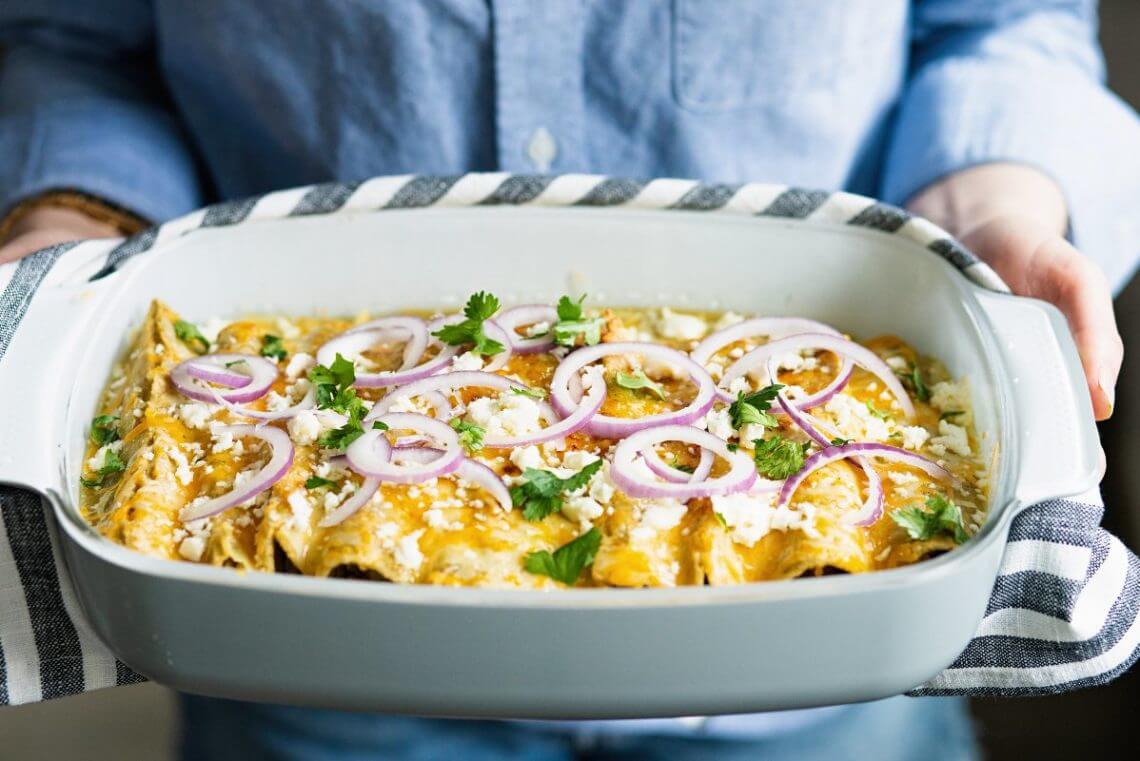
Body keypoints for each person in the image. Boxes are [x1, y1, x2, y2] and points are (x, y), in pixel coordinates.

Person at [1, 2, 1136, 759]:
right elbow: (79, 40)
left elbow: (1002, 22)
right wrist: (61, 243)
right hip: (311, 687)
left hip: (827, 692)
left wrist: (992, 220)